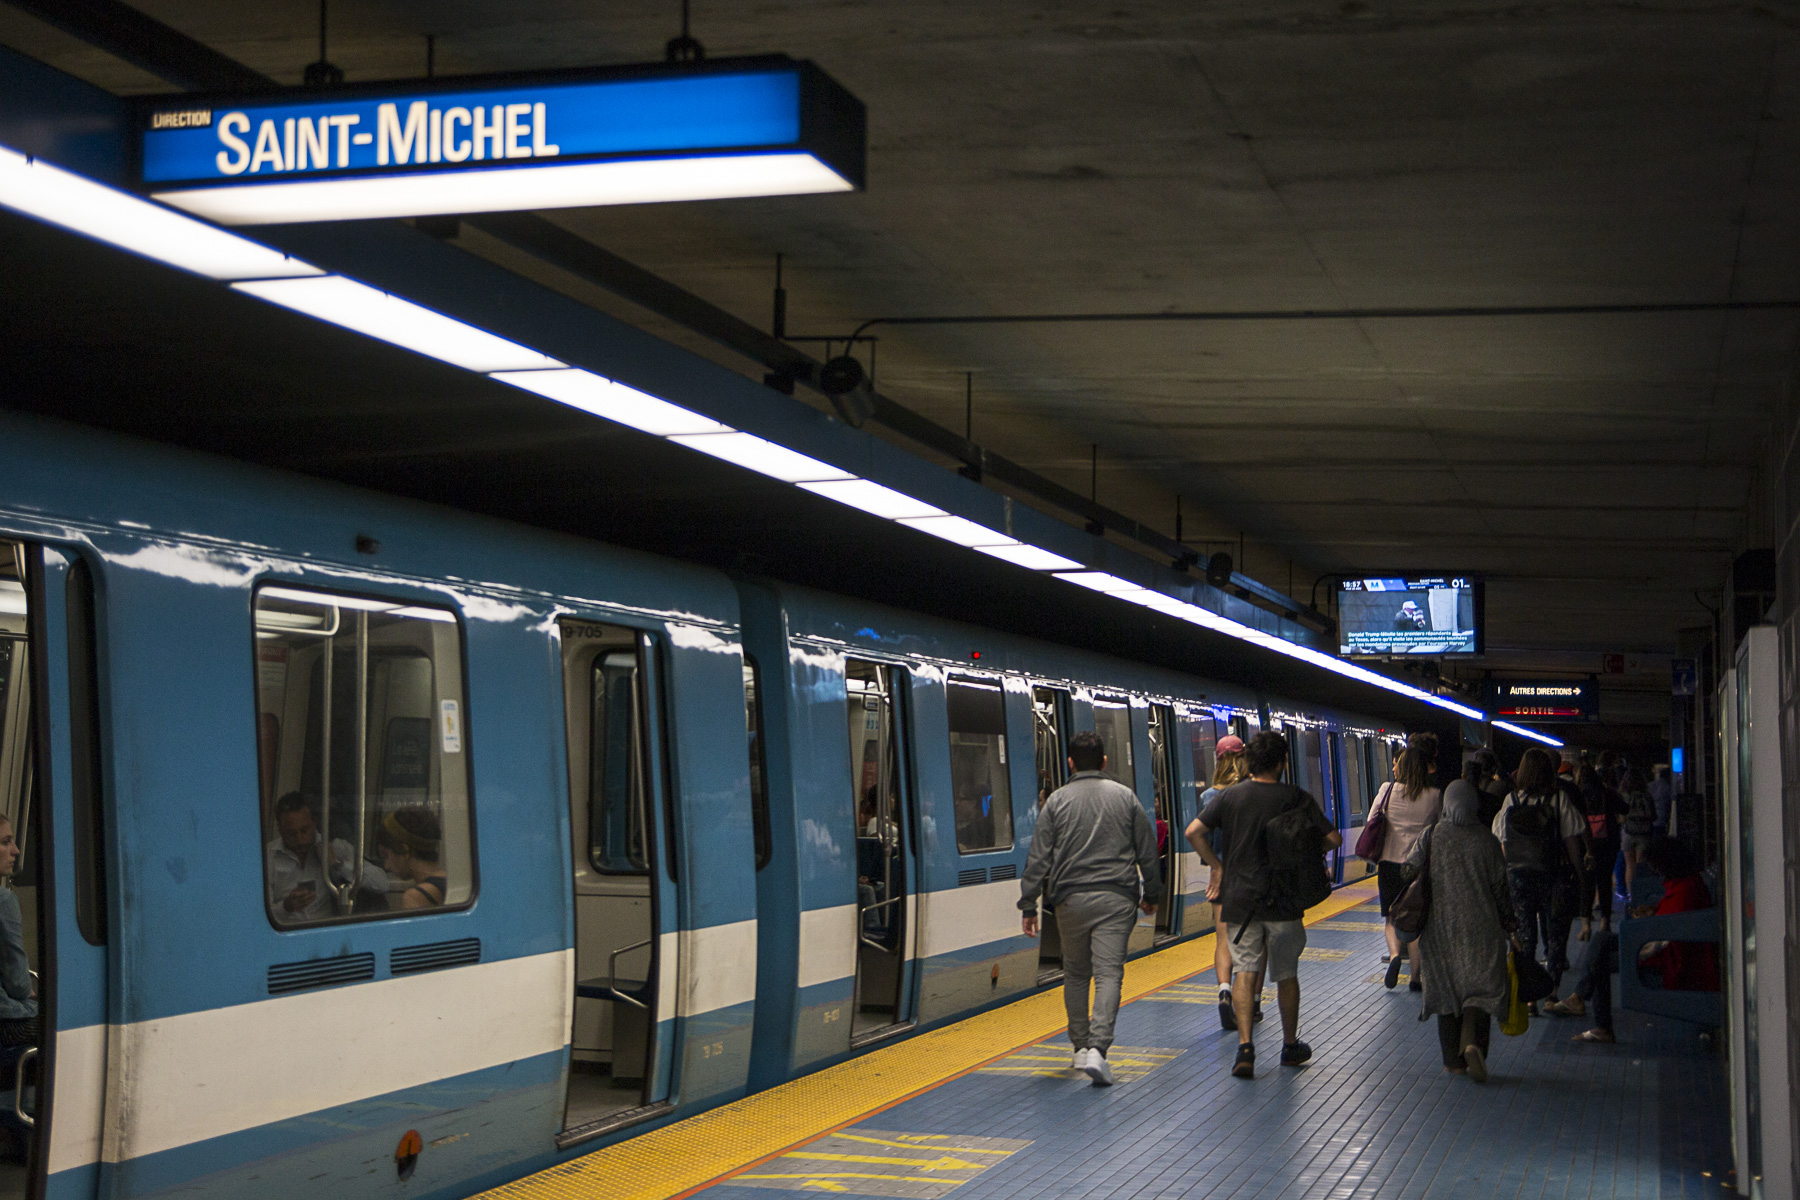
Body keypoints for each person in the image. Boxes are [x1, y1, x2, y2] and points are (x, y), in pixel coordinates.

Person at [1191, 730, 1342, 1079]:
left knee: (1244, 972)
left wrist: (1217, 866)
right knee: (1286, 975)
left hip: (1241, 902)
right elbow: (1333, 838)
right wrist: (1305, 853)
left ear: (1250, 762)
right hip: (1284, 900)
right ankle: (1290, 1046)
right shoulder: (1297, 798)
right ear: (1281, 763)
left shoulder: (1230, 797)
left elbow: (1193, 831)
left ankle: (1245, 1049)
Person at [1019, 730, 1161, 1087]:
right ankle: (1099, 1048)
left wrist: (1029, 903)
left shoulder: (1055, 801)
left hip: (1070, 901)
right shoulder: (1126, 798)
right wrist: (1152, 894)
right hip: (1116, 899)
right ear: (1104, 762)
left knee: (1077, 973)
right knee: (1109, 973)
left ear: (1070, 762)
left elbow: (1039, 856)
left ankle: (1080, 1047)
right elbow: (1147, 851)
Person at [1548, 837, 1720, 1043]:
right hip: (1662, 949)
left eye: (1657, 866)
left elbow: (1662, 941)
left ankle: (1589, 1010)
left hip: (1667, 961)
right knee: (1601, 941)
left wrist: (1633, 944)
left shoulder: (1683, 893)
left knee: (1599, 958)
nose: (1656, 871)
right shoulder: (1688, 884)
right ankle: (1580, 1000)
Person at [1408, 779, 1516, 1082]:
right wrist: (1511, 927)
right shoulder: (1486, 840)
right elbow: (1500, 891)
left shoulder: (1431, 836)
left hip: (1440, 931)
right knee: (1479, 991)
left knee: (1447, 993)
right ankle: (1472, 1043)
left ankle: (1452, 1063)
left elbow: (1409, 868)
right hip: (1482, 929)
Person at [1492, 748, 1585, 1001]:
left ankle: (1528, 995)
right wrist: (1579, 873)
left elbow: (1503, 843)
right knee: (1555, 936)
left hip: (1518, 879)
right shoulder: (1559, 799)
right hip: (1552, 876)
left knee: (1525, 937)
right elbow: (1572, 842)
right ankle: (1552, 993)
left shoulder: (1510, 801)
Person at [1186, 733, 1248, 1030]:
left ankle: (1223, 991)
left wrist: (1215, 865)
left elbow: (1201, 837)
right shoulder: (1251, 791)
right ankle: (1250, 1001)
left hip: (1220, 876)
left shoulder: (1208, 796)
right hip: (1249, 876)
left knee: (1222, 939)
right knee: (1248, 941)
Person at [1373, 733, 1443, 991]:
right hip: (1419, 866)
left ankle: (1394, 957)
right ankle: (1416, 978)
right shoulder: (1435, 795)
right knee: (1417, 920)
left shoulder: (1387, 790)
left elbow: (1372, 820)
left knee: (1391, 918)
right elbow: (1439, 828)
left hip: (1388, 863)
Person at [266, 793, 388, 922]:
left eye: (304, 830)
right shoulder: (268, 856)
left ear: (314, 822)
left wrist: (337, 865)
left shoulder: (335, 847)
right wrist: (286, 907)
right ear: (280, 829)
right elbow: (257, 916)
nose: (300, 840)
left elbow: (381, 883)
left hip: (324, 931)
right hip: (285, 933)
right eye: (291, 834)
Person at [1574, 765, 1627, 941]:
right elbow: (1625, 808)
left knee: (1586, 884)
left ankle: (1585, 926)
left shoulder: (1578, 794)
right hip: (1608, 842)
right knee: (1604, 883)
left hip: (1584, 844)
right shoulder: (1608, 792)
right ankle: (1605, 923)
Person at [0, 817, 35, 1051]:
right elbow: (19, 984)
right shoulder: (4, 900)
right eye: (6, 842)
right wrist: (28, 992)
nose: (16, 850)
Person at [376, 807, 448, 909]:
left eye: (386, 855)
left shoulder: (416, 897)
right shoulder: (449, 883)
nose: (386, 866)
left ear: (405, 850)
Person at [1619, 769, 1656, 893]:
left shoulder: (1623, 795)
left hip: (1628, 832)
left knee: (1629, 865)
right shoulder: (1646, 795)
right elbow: (1654, 816)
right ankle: (1640, 893)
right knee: (1641, 865)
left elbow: (1621, 817)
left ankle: (1630, 894)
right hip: (1644, 833)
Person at [1648, 765, 1676, 837]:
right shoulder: (1668, 787)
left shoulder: (1650, 785)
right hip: (1662, 821)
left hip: (1648, 820)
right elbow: (1673, 802)